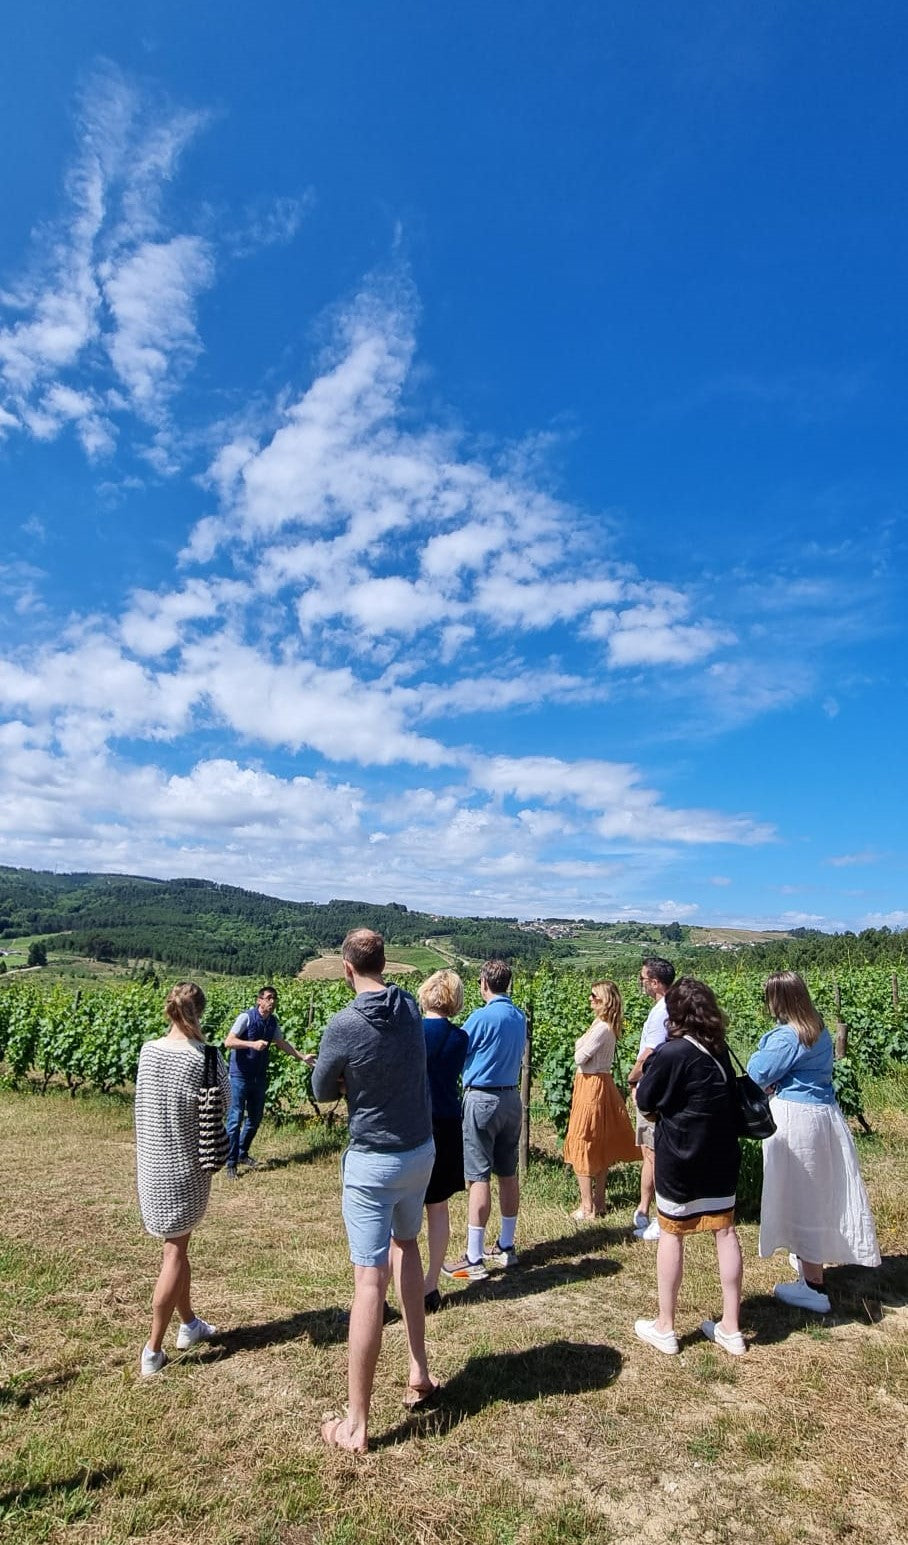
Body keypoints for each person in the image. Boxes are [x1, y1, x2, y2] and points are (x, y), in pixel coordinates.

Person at [312, 929, 439, 1453]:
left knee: (369, 1281)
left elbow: (321, 1088)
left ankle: (357, 1425)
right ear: (386, 964)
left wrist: (347, 1080)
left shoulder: (343, 1025)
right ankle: (419, 1372)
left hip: (373, 1162)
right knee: (407, 1248)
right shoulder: (409, 1006)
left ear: (346, 969)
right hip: (420, 1153)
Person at [747, 970, 880, 1313]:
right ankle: (810, 1259)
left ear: (778, 999)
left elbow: (756, 1072)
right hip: (824, 1115)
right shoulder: (816, 1027)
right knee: (819, 1191)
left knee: (799, 1194)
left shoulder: (787, 1036)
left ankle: (812, 1286)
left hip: (796, 1119)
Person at [633, 976, 745, 1357]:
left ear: (674, 1012)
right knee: (725, 1232)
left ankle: (666, 1326)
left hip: (680, 1155)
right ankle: (731, 1326)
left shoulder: (672, 1053)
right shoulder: (719, 1048)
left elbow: (646, 1100)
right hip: (722, 1154)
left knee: (671, 1232)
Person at [134, 982, 230, 1376]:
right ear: (199, 1012)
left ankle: (189, 1324)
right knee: (174, 1254)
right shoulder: (204, 1058)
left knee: (176, 1247)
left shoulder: (148, 1051)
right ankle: (153, 1349)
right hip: (186, 1168)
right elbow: (223, 1104)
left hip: (151, 1165)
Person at [443, 958, 526, 1281]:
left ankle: (474, 1256)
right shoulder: (519, 1016)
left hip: (482, 1097)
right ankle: (506, 1245)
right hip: (511, 1096)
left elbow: (459, 1053)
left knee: (478, 1176)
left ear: (483, 984)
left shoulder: (480, 1017)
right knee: (508, 1172)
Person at [563, 980, 639, 1219]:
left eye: (594, 996)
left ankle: (587, 1208)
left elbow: (580, 1056)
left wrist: (579, 1044)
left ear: (605, 1001)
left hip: (591, 1084)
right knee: (599, 1143)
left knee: (583, 1140)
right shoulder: (604, 1025)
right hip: (599, 1083)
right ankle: (599, 1202)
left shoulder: (602, 1028)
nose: (590, 999)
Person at [223, 986, 313, 1177]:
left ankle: (242, 1153)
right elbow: (229, 1042)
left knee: (254, 1120)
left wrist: (302, 1057)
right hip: (239, 1076)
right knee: (234, 1120)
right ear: (259, 1000)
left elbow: (281, 1043)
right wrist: (252, 1044)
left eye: (274, 999)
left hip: (259, 1077)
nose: (272, 1002)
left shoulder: (272, 1022)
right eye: (269, 998)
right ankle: (230, 1163)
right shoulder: (246, 1018)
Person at [418, 969, 469, 1312]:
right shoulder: (460, 1037)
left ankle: (398, 1284)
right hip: (448, 1123)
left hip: (415, 1122)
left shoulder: (412, 1033)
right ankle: (431, 1286)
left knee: (401, 1210)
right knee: (439, 1209)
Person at [626, 956, 676, 1240]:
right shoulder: (669, 1008)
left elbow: (649, 1055)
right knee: (649, 1152)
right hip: (659, 1089)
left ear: (655, 983)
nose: (641, 983)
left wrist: (633, 1080)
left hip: (651, 1090)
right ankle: (644, 1210)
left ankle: (661, 1216)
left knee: (655, 1153)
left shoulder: (660, 1013)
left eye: (643, 979)